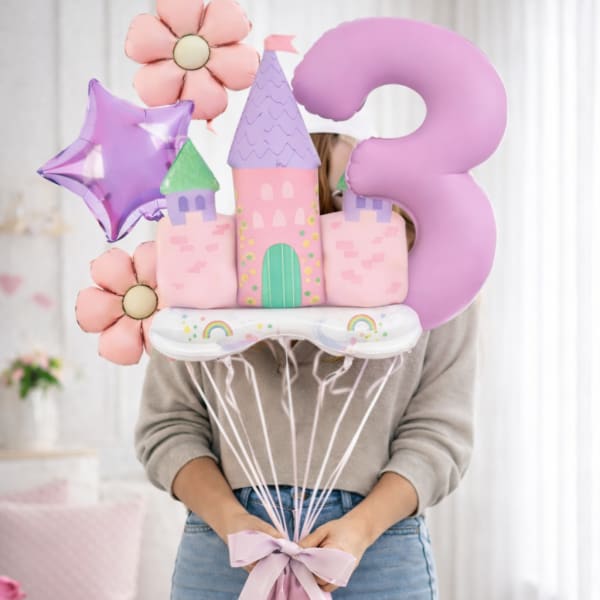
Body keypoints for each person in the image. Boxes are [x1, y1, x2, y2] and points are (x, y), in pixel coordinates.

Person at [135, 125, 480, 599]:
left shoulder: (433, 286)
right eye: (339, 194)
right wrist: (232, 521)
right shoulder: (205, 280)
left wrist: (361, 528)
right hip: (223, 544)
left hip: (378, 547)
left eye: (370, 191)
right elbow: (168, 426)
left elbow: (440, 433)